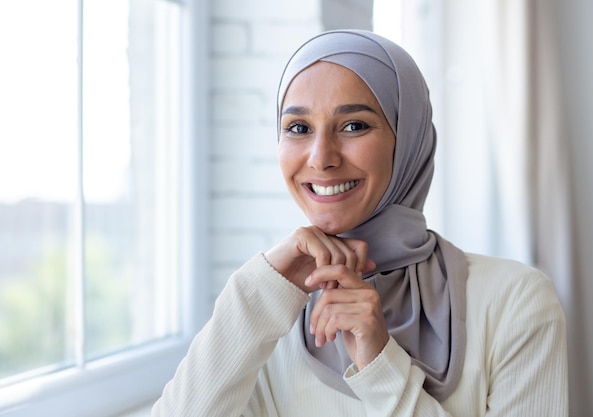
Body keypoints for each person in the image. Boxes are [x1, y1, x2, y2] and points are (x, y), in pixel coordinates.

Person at [151, 29, 568, 417]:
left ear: (408, 139)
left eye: (354, 125)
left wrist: (381, 365)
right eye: (298, 127)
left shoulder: (515, 300)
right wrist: (257, 290)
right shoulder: (266, 311)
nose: (321, 157)